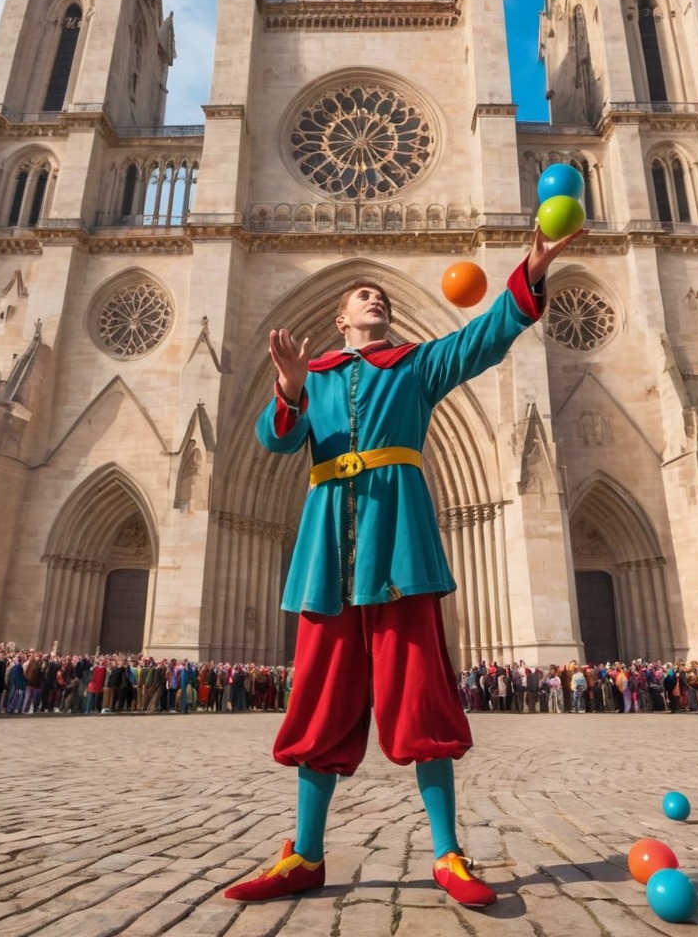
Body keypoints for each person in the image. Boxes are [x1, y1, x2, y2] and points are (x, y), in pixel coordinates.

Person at [224, 225, 580, 909]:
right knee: (318, 705)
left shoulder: (416, 367)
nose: (376, 299)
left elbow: (484, 339)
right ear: (341, 317)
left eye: (382, 295)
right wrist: (291, 390)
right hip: (328, 556)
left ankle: (448, 853)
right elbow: (276, 441)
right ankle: (303, 854)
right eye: (365, 295)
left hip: (401, 553)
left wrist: (530, 271)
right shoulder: (318, 379)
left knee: (421, 700)